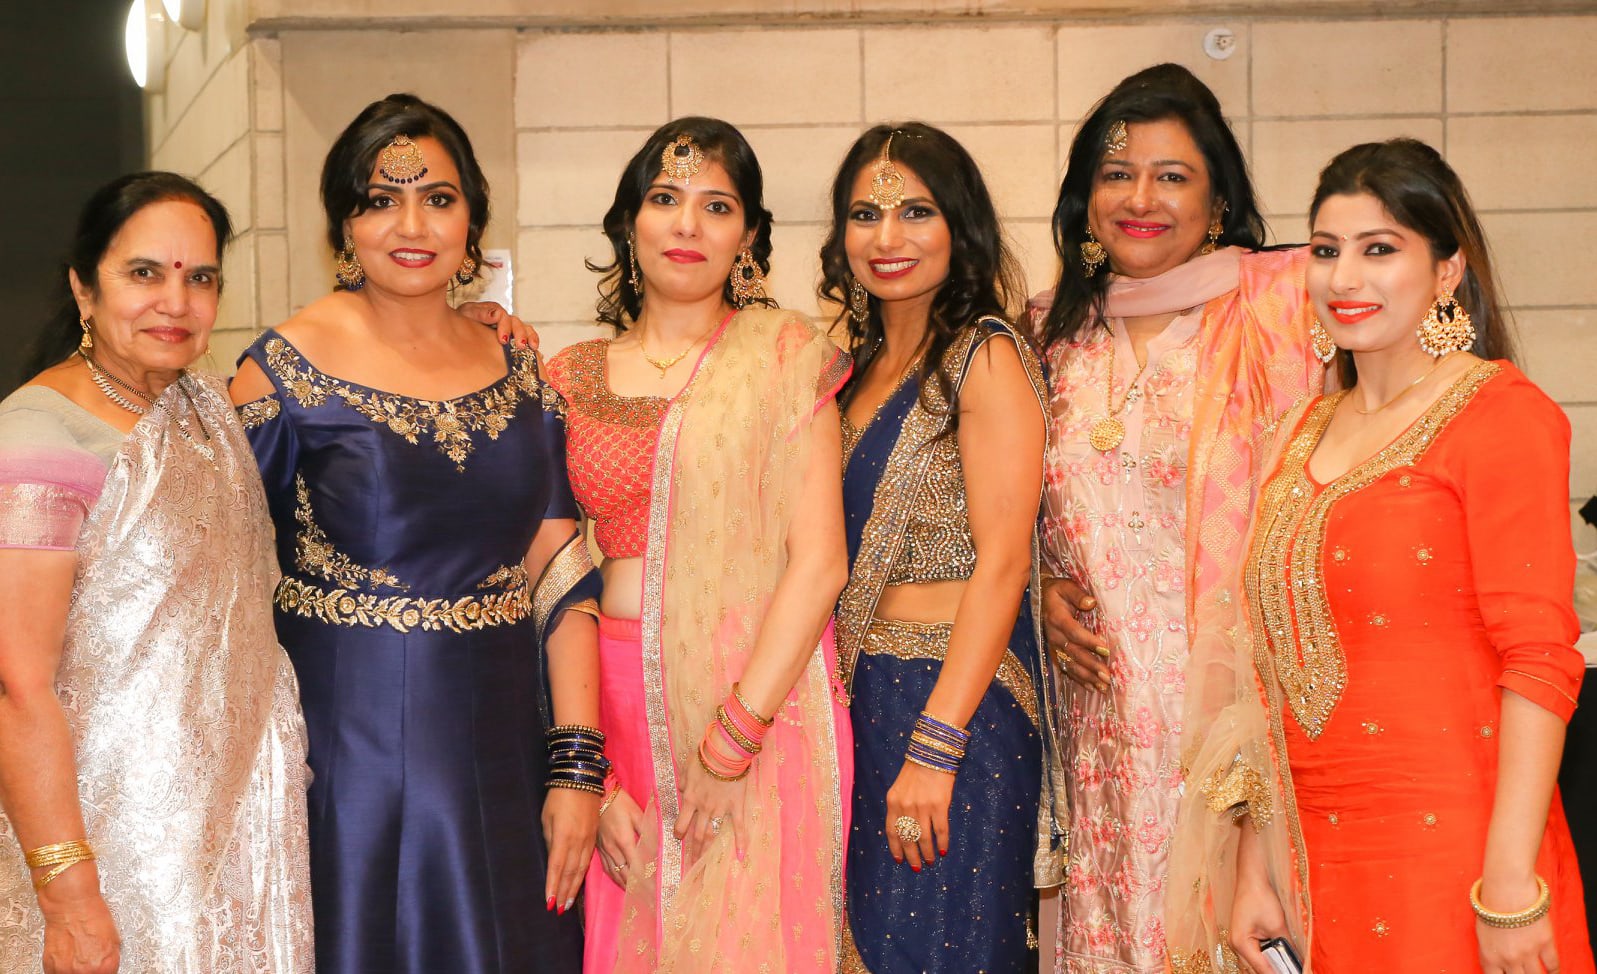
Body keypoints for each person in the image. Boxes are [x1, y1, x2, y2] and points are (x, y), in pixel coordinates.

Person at [1171, 138, 1593, 974]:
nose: (1343, 279)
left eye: (1379, 250)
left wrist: (1509, 881)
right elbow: (1262, 677)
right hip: (1308, 854)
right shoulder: (1298, 432)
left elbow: (1540, 660)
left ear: (1445, 272)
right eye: (1326, 252)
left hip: (1455, 851)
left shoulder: (1501, 415)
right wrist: (1255, 868)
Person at [230, 93, 601, 974]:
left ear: (472, 219)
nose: (411, 224)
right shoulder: (280, 374)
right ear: (341, 224)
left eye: (437, 198)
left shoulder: (518, 367)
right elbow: (230, 584)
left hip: (508, 745)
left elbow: (558, 562)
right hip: (346, 766)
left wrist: (577, 766)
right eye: (378, 199)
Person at [1030, 63, 1327, 972]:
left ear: (1218, 197)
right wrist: (1038, 590)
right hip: (1097, 730)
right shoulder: (1045, 337)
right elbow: (1003, 517)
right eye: (1116, 175)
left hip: (1238, 722)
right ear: (1085, 198)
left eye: (1172, 175)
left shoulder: (1284, 309)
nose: (1140, 199)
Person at [543, 116, 852, 973]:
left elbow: (820, 561)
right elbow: (547, 575)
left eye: (717, 207)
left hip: (758, 696)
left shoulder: (786, 354)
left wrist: (734, 737)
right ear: (628, 224)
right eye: (665, 198)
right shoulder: (566, 376)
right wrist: (588, 776)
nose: (687, 225)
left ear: (747, 237)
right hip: (607, 704)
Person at [0, 172, 313, 973]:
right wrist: (68, 896)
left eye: (198, 277)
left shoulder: (207, 411)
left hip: (237, 835)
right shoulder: (37, 436)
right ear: (83, 286)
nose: (175, 301)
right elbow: (15, 684)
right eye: (144, 273)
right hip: (106, 845)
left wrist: (470, 318)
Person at [818, 122, 1064, 973]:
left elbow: (1004, 562)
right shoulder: (851, 369)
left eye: (914, 211)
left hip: (955, 706)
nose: (885, 238)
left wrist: (936, 746)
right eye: (864, 214)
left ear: (958, 225)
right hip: (859, 700)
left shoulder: (983, 355)